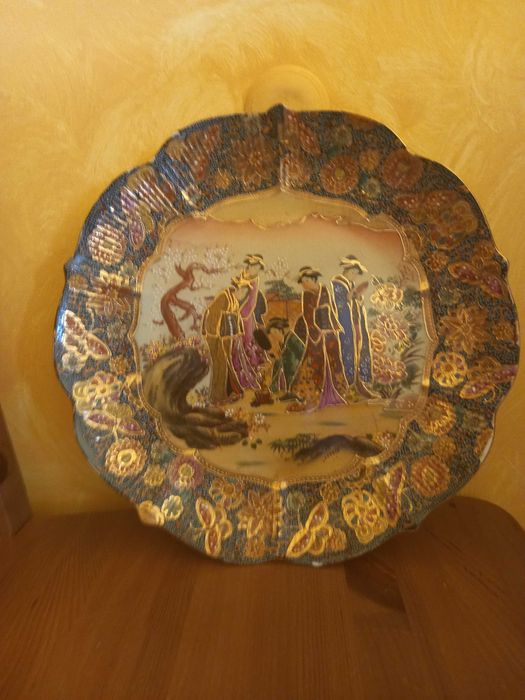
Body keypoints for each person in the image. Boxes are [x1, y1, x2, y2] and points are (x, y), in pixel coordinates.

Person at [291, 267, 348, 410]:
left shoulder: (325, 290)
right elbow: (307, 316)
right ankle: (311, 395)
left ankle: (336, 391)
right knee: (314, 360)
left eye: (305, 281)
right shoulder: (307, 295)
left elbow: (332, 309)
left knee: (334, 359)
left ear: (313, 280)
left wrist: (333, 326)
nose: (303, 284)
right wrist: (316, 332)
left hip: (329, 332)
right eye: (302, 282)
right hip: (316, 334)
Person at [331, 255, 376, 399]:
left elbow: (355, 302)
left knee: (359, 349)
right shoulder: (337, 284)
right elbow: (339, 305)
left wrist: (357, 297)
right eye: (353, 272)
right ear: (347, 270)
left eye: (357, 273)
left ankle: (358, 382)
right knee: (347, 350)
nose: (355, 275)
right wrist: (352, 296)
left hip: (355, 322)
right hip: (345, 325)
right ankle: (347, 385)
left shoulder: (350, 284)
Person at [202, 275, 251, 404]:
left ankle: (228, 392)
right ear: (237, 288)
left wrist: (238, 332)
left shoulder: (234, 301)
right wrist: (216, 335)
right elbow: (213, 314)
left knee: (226, 362)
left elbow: (236, 318)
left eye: (246, 292)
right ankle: (217, 397)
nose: (244, 294)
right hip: (215, 336)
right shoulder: (224, 296)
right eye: (243, 291)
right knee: (219, 364)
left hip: (226, 336)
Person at [230, 254, 268, 390]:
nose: (253, 268)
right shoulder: (243, 275)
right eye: (252, 265)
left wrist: (240, 315)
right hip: (236, 310)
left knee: (246, 341)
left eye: (256, 266)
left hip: (245, 316)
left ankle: (248, 375)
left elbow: (251, 302)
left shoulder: (255, 281)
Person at [265, 317, 306, 398]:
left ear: (280, 331)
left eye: (275, 333)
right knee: (279, 364)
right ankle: (281, 390)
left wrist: (301, 368)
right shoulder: (283, 342)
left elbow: (303, 353)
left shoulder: (292, 339)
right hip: (289, 369)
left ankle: (294, 393)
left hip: (297, 370)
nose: (274, 337)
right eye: (272, 335)